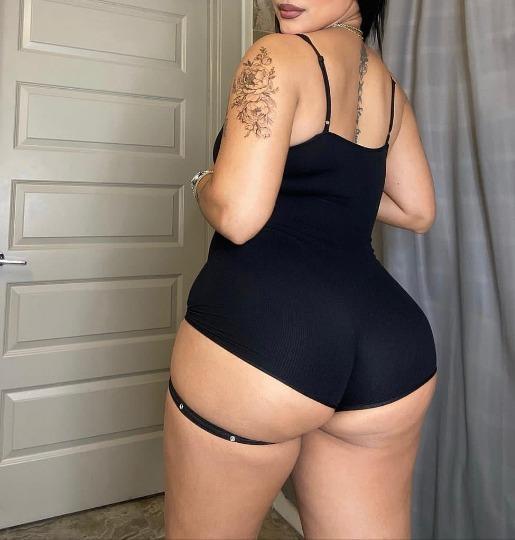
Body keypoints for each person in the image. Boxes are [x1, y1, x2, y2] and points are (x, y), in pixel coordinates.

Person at [163, 1, 438, 538]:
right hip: (389, 345)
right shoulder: (388, 88)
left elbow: (238, 216)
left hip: (269, 338)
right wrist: (334, 193)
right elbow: (417, 211)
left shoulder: (277, 56)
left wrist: (207, 180)